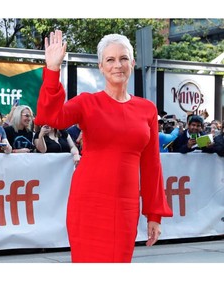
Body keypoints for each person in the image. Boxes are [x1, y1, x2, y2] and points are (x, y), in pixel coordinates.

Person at [34, 30, 173, 262]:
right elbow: (51, 116)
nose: (117, 65)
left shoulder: (147, 109)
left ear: (133, 63)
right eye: (110, 59)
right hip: (89, 203)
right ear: (100, 66)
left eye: (123, 58)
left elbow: (152, 166)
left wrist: (154, 214)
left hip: (125, 206)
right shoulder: (87, 102)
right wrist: (52, 70)